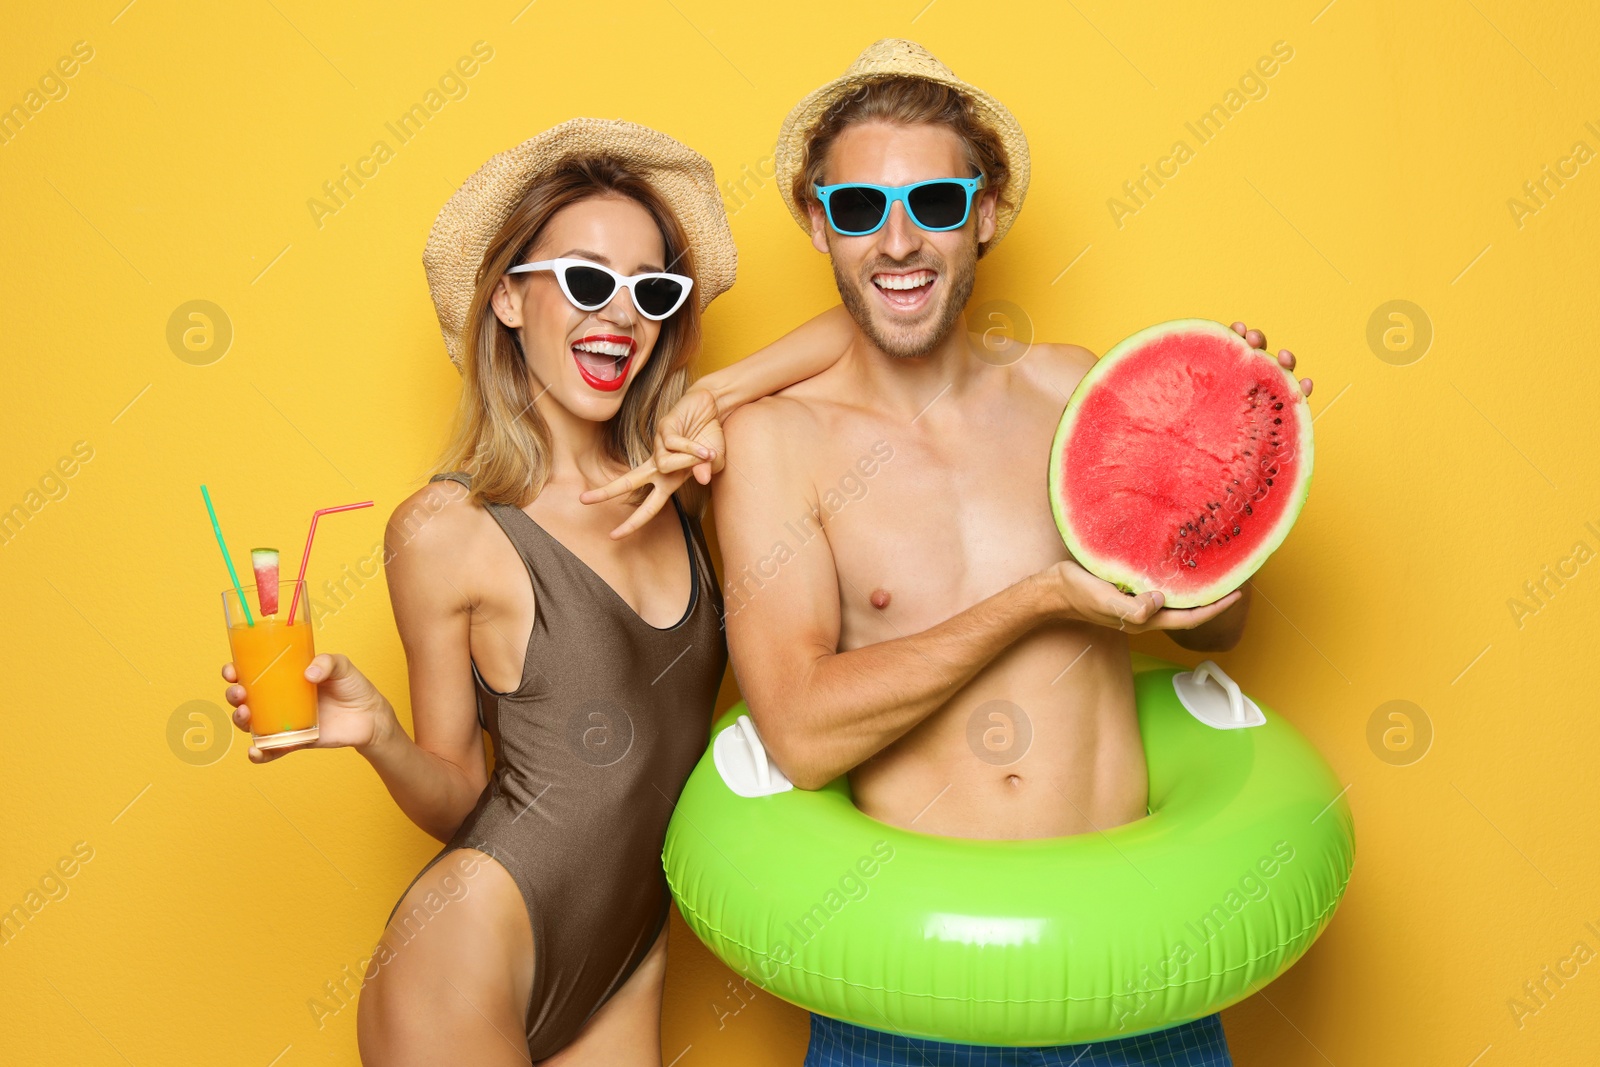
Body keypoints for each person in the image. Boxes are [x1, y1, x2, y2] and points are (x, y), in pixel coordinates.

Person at [710, 40, 1316, 1066]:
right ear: (819, 226)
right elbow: (804, 732)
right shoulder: (776, 445)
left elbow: (1218, 620)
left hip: (1135, 970)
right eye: (859, 209)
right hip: (907, 988)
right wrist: (1032, 600)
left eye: (934, 204)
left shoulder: (1072, 389)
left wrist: (1235, 476)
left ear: (983, 214)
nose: (897, 241)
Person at [219, 118, 852, 1065]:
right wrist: (379, 735)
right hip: (467, 951)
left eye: (651, 290)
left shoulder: (680, 484)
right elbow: (461, 795)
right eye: (588, 282)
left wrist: (715, 396)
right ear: (510, 300)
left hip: (627, 954)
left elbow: (869, 331)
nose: (622, 315)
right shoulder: (446, 529)